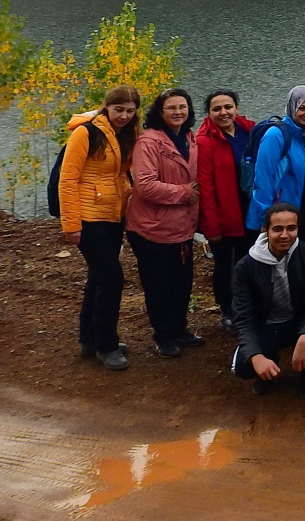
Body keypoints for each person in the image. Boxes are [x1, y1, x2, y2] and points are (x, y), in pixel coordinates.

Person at [59, 86, 140, 371]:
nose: (124, 116)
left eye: (130, 111)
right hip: (88, 217)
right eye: (119, 110)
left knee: (98, 277)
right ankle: (107, 345)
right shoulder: (85, 132)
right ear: (107, 106)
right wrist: (71, 225)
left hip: (112, 214)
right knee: (112, 279)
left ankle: (90, 339)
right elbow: (68, 179)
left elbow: (122, 172)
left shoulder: (128, 132)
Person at [126, 88, 202, 359]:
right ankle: (163, 335)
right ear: (160, 111)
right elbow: (144, 186)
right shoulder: (149, 141)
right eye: (171, 107)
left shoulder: (190, 138)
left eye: (182, 106)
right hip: (151, 228)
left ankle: (179, 329)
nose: (178, 112)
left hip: (181, 227)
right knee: (159, 285)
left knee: (182, 282)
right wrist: (184, 193)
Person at [230, 201, 305, 398]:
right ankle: (268, 367)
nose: (285, 235)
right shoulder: (245, 266)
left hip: (300, 320)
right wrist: (257, 356)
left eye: (291, 228)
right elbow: (242, 316)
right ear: (265, 230)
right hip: (268, 325)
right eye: (277, 229)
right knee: (243, 366)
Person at [194, 89, 253, 335]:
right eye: (216, 109)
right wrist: (212, 225)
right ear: (208, 113)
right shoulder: (204, 140)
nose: (223, 112)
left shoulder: (248, 131)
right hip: (223, 213)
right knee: (225, 266)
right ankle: (228, 311)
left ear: (236, 108)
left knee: (247, 263)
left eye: (228, 107)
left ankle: (248, 309)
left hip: (249, 211)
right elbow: (205, 186)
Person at [245, 86, 305, 236]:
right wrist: (265, 219)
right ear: (292, 106)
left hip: (304, 213)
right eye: (302, 108)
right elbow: (263, 178)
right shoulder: (276, 135)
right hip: (280, 218)